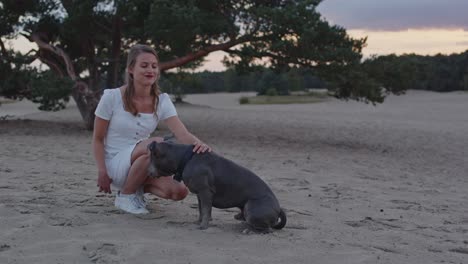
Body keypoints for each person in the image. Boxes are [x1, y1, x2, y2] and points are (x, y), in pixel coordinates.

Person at [92, 44, 211, 214]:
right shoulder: (111, 97)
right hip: (116, 163)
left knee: (179, 191)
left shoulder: (162, 101)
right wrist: (102, 171)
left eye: (154, 66)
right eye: (144, 65)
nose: (151, 70)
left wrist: (201, 147)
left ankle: (136, 190)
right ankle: (126, 196)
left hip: (145, 160)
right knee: (157, 144)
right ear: (131, 69)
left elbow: (182, 133)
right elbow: (97, 138)